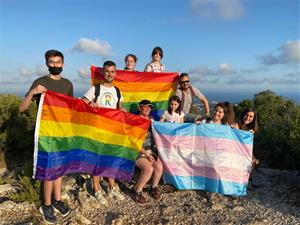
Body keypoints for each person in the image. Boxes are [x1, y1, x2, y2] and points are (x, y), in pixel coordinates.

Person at [19, 49, 73, 224]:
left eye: (58, 62)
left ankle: (57, 200)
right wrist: (33, 91)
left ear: (63, 64)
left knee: (60, 169)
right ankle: (46, 204)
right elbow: (22, 108)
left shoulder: (68, 84)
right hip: (46, 133)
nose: (55, 65)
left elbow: (71, 109)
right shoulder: (40, 82)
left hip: (62, 133)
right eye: (52, 62)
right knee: (50, 170)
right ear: (47, 64)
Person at [82, 60, 125, 205]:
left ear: (115, 73)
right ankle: (97, 189)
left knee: (110, 158)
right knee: (98, 159)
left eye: (112, 71)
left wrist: (123, 111)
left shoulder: (118, 91)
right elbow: (82, 102)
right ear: (103, 72)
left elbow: (120, 108)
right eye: (107, 71)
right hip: (98, 130)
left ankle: (112, 187)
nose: (110, 74)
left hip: (112, 131)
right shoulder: (96, 89)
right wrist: (91, 104)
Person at [131, 100, 164, 204]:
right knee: (148, 169)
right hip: (138, 151)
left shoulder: (151, 121)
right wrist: (146, 154)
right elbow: (133, 142)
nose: (147, 109)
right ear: (139, 108)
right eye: (145, 107)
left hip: (150, 150)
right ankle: (136, 191)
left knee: (159, 167)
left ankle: (153, 187)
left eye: (149, 107)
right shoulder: (135, 121)